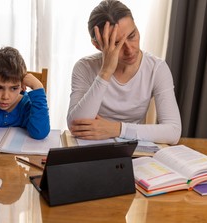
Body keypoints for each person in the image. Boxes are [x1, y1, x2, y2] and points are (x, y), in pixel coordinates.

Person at [67, 0, 181, 144]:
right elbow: (75, 125)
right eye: (116, 43)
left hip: (134, 149)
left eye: (132, 36)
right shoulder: (84, 67)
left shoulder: (156, 68)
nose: (129, 49)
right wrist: (106, 72)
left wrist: (116, 129)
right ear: (97, 45)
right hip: (93, 148)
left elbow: (173, 131)